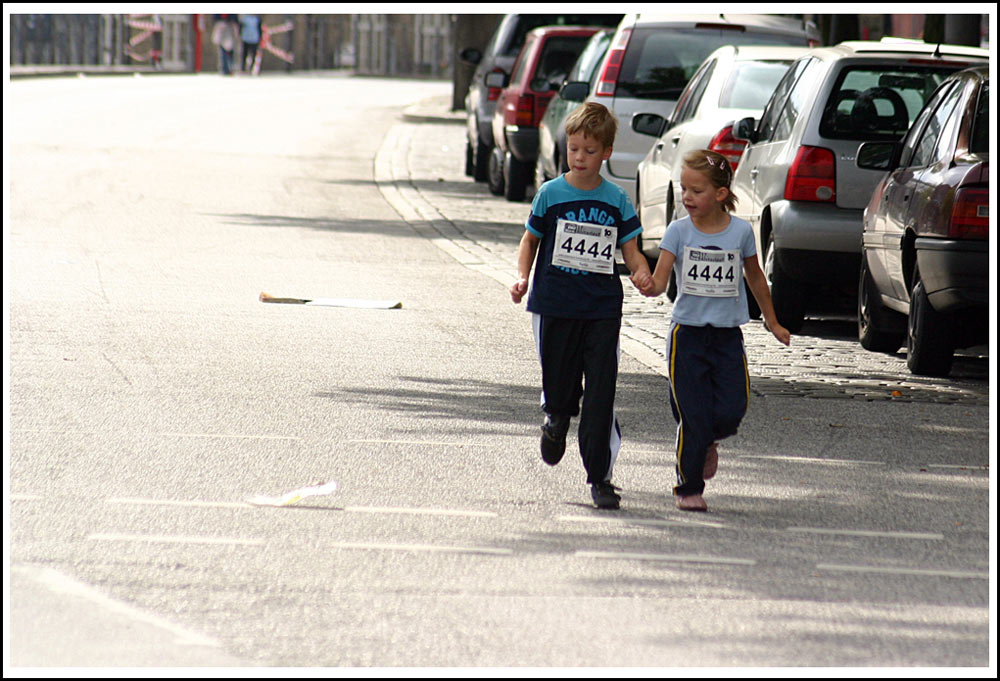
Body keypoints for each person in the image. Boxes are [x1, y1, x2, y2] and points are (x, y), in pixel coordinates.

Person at [511, 102, 652, 510]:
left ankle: (601, 477)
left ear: (606, 152)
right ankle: (555, 417)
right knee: (560, 385)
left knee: (601, 394)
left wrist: (641, 273)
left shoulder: (617, 200)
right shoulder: (551, 194)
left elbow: (632, 250)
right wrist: (521, 277)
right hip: (555, 304)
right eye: (574, 149)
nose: (580, 157)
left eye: (589, 151)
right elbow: (530, 241)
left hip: (601, 308)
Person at [635, 149, 791, 512]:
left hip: (726, 336)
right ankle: (688, 487)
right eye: (683, 189)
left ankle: (708, 440)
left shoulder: (739, 232)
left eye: (696, 190)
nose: (687, 197)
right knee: (693, 416)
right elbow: (661, 283)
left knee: (732, 408)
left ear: (721, 194)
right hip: (686, 336)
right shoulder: (678, 231)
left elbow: (755, 276)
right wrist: (647, 283)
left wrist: (772, 320)